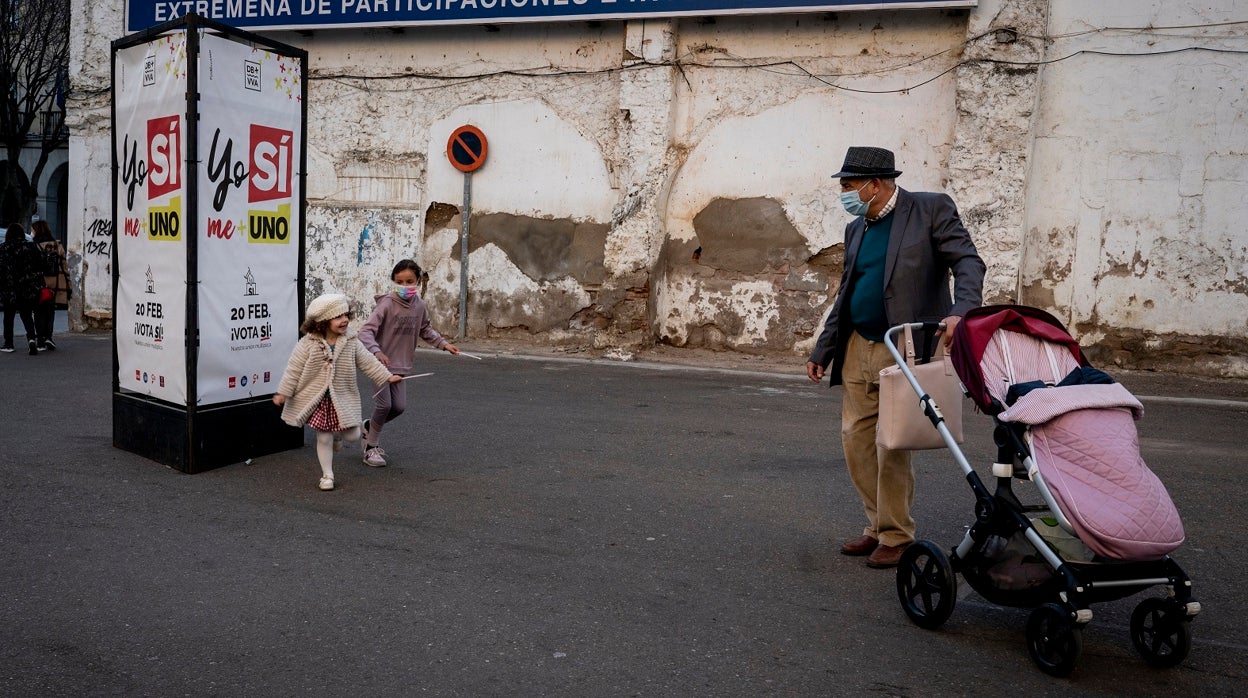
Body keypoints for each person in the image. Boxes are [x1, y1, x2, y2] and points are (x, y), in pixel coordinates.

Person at [805, 146, 985, 569]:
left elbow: (968, 261)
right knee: (856, 442)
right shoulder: (857, 227)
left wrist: (962, 311)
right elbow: (847, 292)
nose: (845, 193)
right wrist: (824, 348)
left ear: (876, 184)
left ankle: (897, 534)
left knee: (892, 443)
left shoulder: (930, 210)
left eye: (849, 186)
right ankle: (877, 525)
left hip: (903, 346)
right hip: (857, 345)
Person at [272, 293, 403, 491]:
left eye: (345, 315)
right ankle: (327, 475)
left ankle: (338, 437)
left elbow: (367, 361)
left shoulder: (351, 341)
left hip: (343, 396)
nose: (344, 320)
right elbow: (294, 369)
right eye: (337, 316)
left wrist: (386, 376)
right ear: (322, 321)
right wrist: (283, 392)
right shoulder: (307, 344)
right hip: (318, 399)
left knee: (352, 435)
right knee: (323, 436)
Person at [358, 259, 459, 467]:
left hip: (401, 365)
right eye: (400, 281)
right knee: (384, 405)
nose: (405, 286)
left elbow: (425, 329)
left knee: (399, 407)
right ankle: (370, 448)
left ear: (418, 281)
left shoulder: (419, 305)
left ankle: (369, 426)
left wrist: (444, 344)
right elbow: (365, 331)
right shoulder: (386, 304)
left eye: (409, 281)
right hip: (379, 365)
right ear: (394, 281)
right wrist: (376, 352)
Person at [0, 223, 46, 356]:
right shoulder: (31, 247)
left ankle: (9, 344)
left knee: (8, 316)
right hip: (27, 286)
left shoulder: (3, 248)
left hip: (9, 288)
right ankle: (31, 339)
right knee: (26, 315)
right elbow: (41, 264)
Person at [31, 219, 70, 351]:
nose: (32, 232)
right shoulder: (57, 245)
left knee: (38, 311)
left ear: (37, 230)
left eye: (33, 230)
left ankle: (40, 339)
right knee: (50, 311)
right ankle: (49, 336)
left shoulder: (34, 245)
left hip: (40, 283)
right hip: (56, 284)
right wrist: (68, 285)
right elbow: (64, 266)